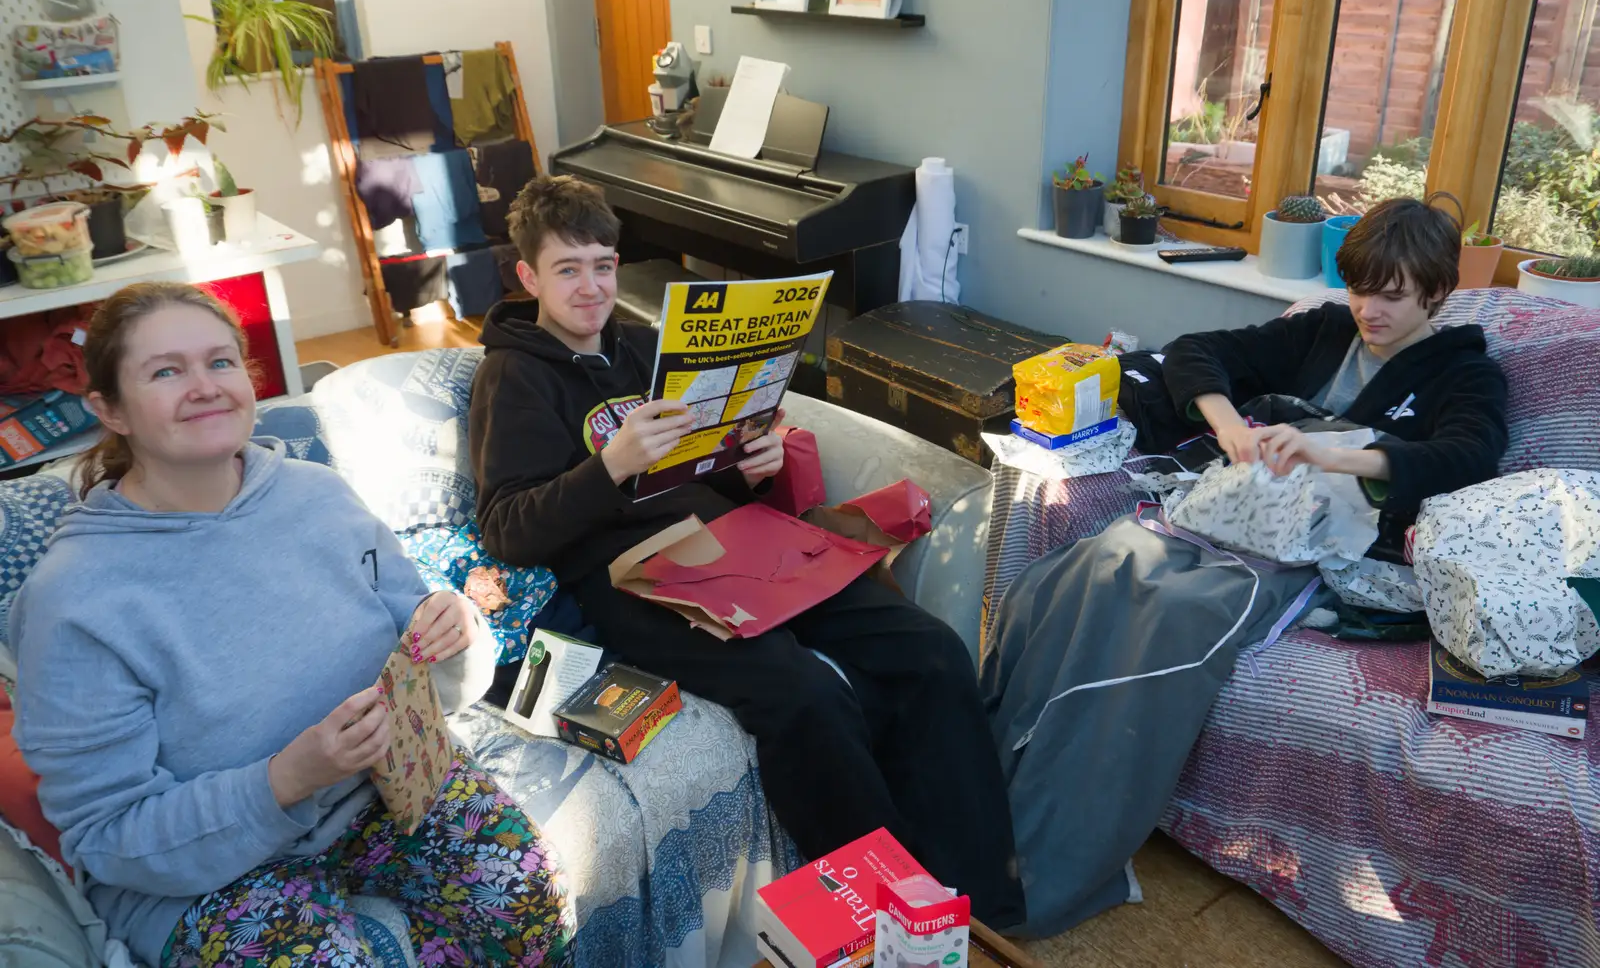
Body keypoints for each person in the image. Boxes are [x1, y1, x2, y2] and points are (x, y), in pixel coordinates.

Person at [468, 175, 1026, 926]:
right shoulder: (513, 377)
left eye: (604, 264)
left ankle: (976, 903)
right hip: (635, 581)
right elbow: (506, 524)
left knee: (929, 650)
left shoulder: (642, 347)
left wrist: (753, 466)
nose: (593, 286)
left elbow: (709, 466)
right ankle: (883, 924)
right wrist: (609, 468)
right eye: (568, 269)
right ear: (529, 275)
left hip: (738, 544)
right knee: (804, 697)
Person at [981, 196, 1509, 936]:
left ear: (1437, 293)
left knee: (1175, 618)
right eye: (1359, 289)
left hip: (1318, 551)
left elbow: (1467, 454)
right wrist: (1229, 425)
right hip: (1227, 516)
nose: (1368, 310)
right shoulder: (1324, 330)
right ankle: (982, 796)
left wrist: (1331, 452)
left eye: (1390, 297)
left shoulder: (1466, 375)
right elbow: (1199, 350)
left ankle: (1049, 856)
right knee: (1085, 571)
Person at [7, 283, 571, 968]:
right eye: (165, 371)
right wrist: (284, 779)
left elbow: (430, 675)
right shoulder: (74, 600)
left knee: (525, 895)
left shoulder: (319, 495)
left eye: (220, 362)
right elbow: (107, 835)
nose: (205, 387)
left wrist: (453, 634)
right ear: (109, 409)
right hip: (205, 875)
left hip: (385, 792)